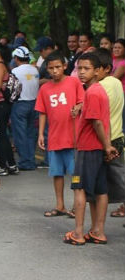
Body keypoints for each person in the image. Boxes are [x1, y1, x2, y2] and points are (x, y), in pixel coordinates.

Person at [64, 53, 118, 245]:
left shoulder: (93, 92)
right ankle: (97, 231)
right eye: (79, 68)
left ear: (97, 71)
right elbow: (104, 122)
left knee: (79, 189)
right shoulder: (97, 91)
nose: (81, 73)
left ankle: (78, 233)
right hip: (98, 149)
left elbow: (96, 123)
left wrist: (107, 145)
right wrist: (107, 146)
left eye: (86, 69)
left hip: (88, 149)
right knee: (100, 191)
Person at [35, 50, 84, 217]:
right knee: (57, 173)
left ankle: (77, 206)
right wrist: (41, 134)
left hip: (74, 136)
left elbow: (83, 101)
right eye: (51, 68)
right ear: (47, 69)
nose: (54, 71)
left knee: (75, 174)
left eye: (57, 67)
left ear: (64, 66)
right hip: (55, 137)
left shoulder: (74, 82)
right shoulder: (45, 88)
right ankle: (60, 205)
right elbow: (42, 112)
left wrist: (79, 107)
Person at [93, 48, 125, 220]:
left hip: (106, 138)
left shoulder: (101, 86)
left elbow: (96, 117)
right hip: (118, 136)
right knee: (118, 176)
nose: (91, 72)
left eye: (93, 68)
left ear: (105, 68)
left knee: (107, 179)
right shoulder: (117, 82)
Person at [0, 42, 18, 176]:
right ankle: (11, 164)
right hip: (3, 103)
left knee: (1, 134)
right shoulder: (4, 65)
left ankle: (2, 165)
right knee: (3, 134)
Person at [10, 46, 39, 170]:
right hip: (34, 104)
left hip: (20, 104)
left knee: (20, 134)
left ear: (16, 58)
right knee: (31, 134)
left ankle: (25, 161)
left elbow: (12, 89)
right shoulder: (35, 70)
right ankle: (31, 160)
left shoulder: (15, 71)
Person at [112, 38, 125, 133]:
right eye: (115, 47)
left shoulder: (123, 63)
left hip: (122, 93)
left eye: (119, 48)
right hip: (114, 93)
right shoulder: (112, 60)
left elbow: (113, 78)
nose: (116, 49)